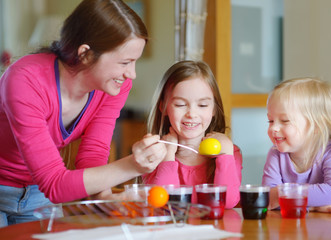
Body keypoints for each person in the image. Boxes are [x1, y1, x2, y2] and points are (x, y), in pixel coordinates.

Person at [0, 0, 166, 227]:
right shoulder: (25, 79)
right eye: (125, 62)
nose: (132, 74)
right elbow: (55, 184)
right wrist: (133, 166)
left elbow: (92, 154)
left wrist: (105, 198)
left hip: (38, 196)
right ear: (85, 53)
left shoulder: (113, 87)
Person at [142, 60, 243, 208]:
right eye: (180, 105)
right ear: (163, 106)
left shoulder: (230, 152)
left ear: (214, 108)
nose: (192, 114)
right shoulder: (154, 153)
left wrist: (226, 153)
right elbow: (163, 204)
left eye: (202, 105)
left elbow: (227, 202)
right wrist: (168, 156)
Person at [262, 78, 331, 215]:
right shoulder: (275, 154)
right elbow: (267, 199)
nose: (274, 128)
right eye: (270, 120)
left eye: (284, 121)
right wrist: (314, 207)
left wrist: (282, 195)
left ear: (317, 126)